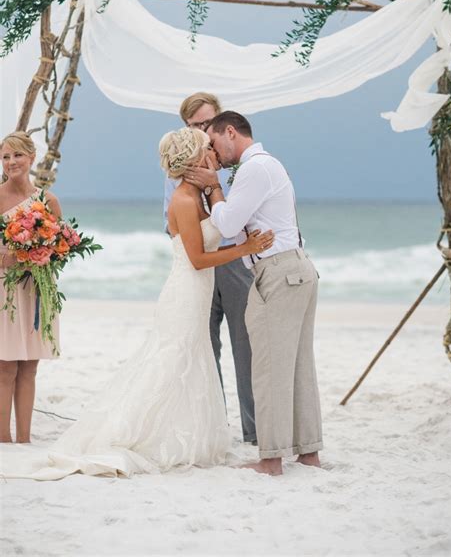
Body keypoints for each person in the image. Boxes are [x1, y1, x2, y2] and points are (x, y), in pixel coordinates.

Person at [0, 127, 273, 479]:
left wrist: (221, 197)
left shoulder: (199, 196)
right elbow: (198, 259)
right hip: (186, 292)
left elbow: (218, 229)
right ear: (193, 157)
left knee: (190, 360)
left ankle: (186, 432)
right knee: (170, 361)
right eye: (208, 148)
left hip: (196, 292)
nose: (214, 153)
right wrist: (246, 249)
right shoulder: (185, 201)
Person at [184, 112, 323, 476]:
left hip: (278, 273)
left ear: (231, 132)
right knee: (297, 367)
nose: (213, 150)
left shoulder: (254, 168)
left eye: (213, 142)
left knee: (270, 368)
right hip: (295, 269)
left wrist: (214, 187)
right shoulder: (267, 165)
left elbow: (228, 224)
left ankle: (271, 459)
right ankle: (308, 454)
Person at [163, 92, 256, 444]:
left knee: (244, 344)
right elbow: (169, 218)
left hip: (232, 262)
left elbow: (240, 218)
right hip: (195, 266)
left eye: (207, 123)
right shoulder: (177, 171)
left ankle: (254, 429)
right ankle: (214, 426)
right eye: (195, 125)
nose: (203, 130)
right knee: (203, 346)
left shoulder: (236, 165)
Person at [0, 131, 61, 444]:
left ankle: (24, 439)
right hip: (5, 292)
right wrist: (11, 256)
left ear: (31, 157)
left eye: (17, 156)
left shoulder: (47, 201)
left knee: (29, 366)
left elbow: (59, 249)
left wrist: (43, 252)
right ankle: (3, 439)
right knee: (5, 365)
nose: (11, 162)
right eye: (6, 157)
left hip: (35, 290)